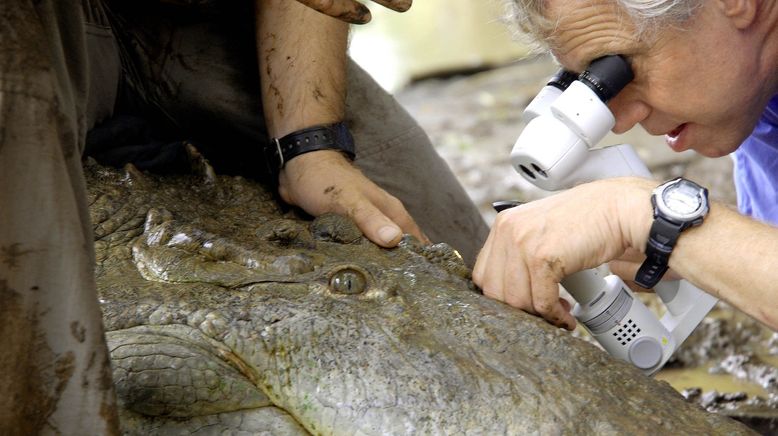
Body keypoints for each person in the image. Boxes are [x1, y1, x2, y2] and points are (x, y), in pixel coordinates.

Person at [0, 0, 489, 432]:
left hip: (186, 18)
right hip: (23, 28)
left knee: (453, 251)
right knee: (40, 335)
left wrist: (310, 145)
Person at [473, 0, 778, 332]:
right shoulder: (750, 90)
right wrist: (706, 252)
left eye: (623, 68)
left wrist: (643, 216)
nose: (622, 120)